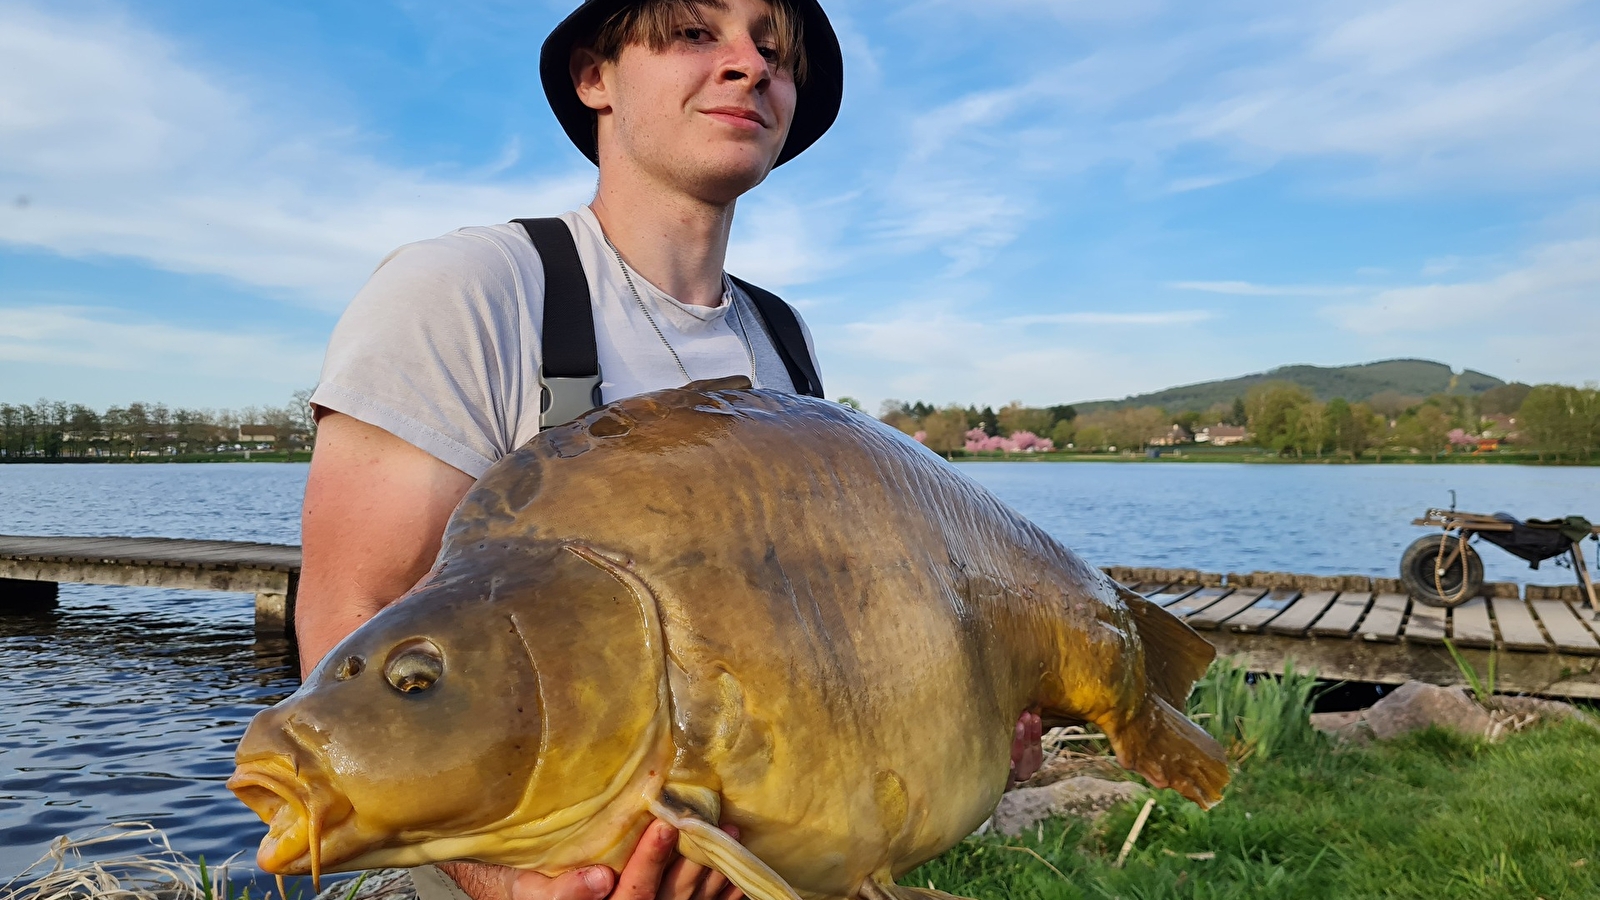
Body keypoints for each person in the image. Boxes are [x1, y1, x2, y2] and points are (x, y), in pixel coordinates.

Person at [297, 1, 841, 898]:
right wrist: (499, 880)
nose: (751, 64)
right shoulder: (468, 290)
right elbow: (353, 611)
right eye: (696, 34)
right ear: (596, 79)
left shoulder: (784, 340)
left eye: (774, 47)